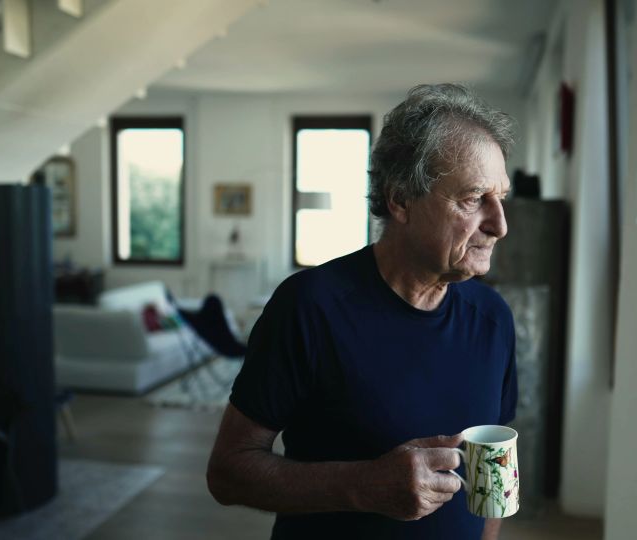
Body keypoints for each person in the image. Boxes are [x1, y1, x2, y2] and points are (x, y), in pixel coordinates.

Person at [207, 83, 518, 540]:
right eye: (473, 198)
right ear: (400, 200)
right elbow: (228, 472)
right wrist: (364, 486)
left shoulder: (494, 319)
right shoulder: (309, 306)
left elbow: (496, 471)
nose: (500, 225)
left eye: (501, 198)